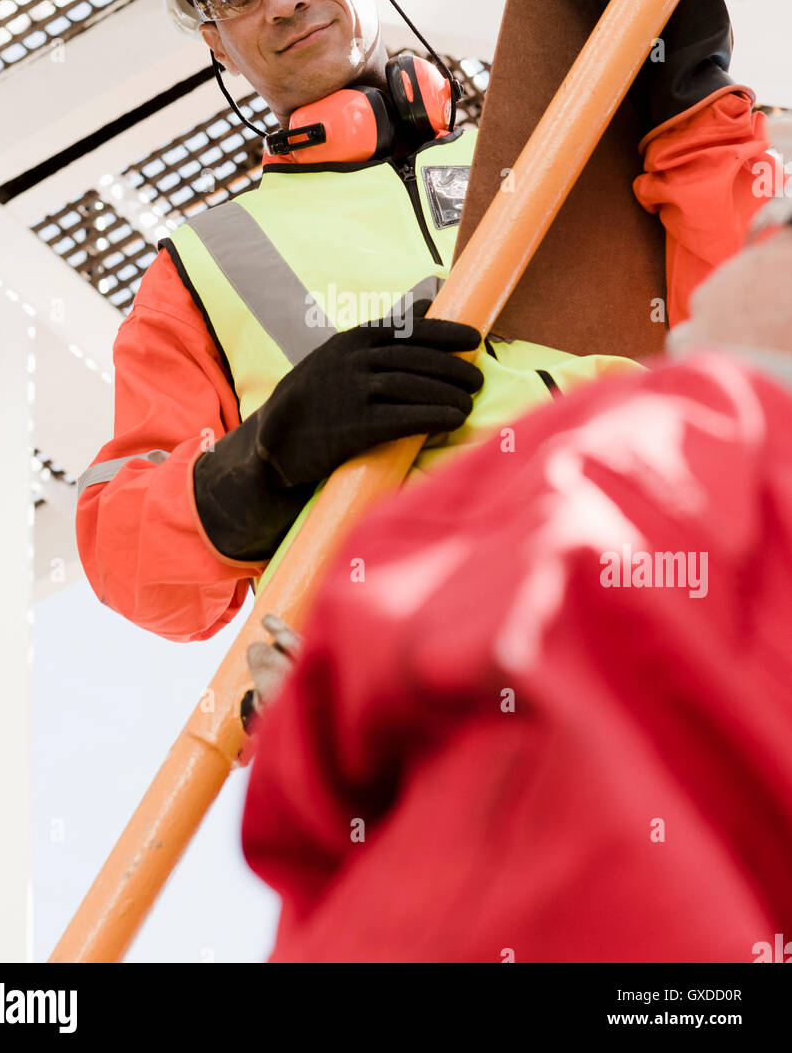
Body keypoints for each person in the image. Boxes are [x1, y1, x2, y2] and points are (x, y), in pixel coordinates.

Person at [75, 0, 772, 652]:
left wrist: (690, 92)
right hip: (436, 667)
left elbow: (746, 316)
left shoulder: (553, 136)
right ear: (217, 44)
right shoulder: (202, 269)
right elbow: (122, 549)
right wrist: (264, 464)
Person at [241, 211, 792, 963]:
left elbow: (312, 813)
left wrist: (327, 705)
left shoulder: (669, 453)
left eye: (771, 234)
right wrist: (244, 474)